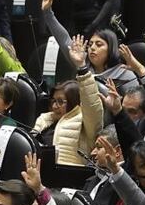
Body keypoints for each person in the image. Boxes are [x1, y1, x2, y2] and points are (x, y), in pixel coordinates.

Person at [42, 0, 138, 91]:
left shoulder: (125, 74)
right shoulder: (82, 64)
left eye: (99, 44)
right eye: (90, 44)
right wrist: (47, 12)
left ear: (111, 49)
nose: (92, 48)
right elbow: (63, 39)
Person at [31, 38, 104, 166]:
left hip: (69, 174)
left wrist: (82, 67)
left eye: (60, 102)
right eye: (53, 101)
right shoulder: (44, 119)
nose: (55, 106)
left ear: (74, 101)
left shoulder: (85, 121)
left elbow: (92, 105)